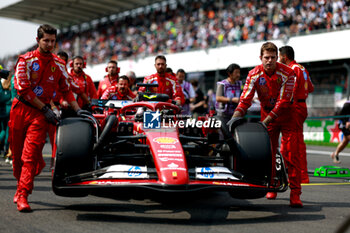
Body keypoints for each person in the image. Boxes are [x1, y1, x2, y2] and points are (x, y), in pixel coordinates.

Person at [9, 24, 89, 212]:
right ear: (38, 40)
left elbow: (66, 90)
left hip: (39, 116)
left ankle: (23, 194)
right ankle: (22, 182)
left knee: (29, 157)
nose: (50, 44)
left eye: (53, 41)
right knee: (17, 158)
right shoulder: (25, 60)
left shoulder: (59, 64)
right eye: (46, 40)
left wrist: (78, 110)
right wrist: (45, 108)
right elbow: (24, 89)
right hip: (21, 109)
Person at [229, 42, 302, 207]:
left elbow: (283, 102)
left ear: (278, 58)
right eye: (266, 57)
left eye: (273, 57)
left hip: (288, 115)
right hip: (266, 114)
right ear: (260, 58)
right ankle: (272, 187)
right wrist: (233, 119)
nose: (269, 61)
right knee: (267, 154)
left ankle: (296, 194)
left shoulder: (289, 73)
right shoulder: (253, 74)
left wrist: (264, 122)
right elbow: (245, 100)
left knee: (291, 154)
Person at [279, 45, 314, 183]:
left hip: (294, 107)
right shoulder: (302, 68)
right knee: (297, 141)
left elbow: (290, 90)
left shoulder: (291, 69)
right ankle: (301, 174)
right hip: (302, 105)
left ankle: (297, 174)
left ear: (284, 57)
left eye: (279, 56)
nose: (278, 59)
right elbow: (311, 88)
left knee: (293, 142)